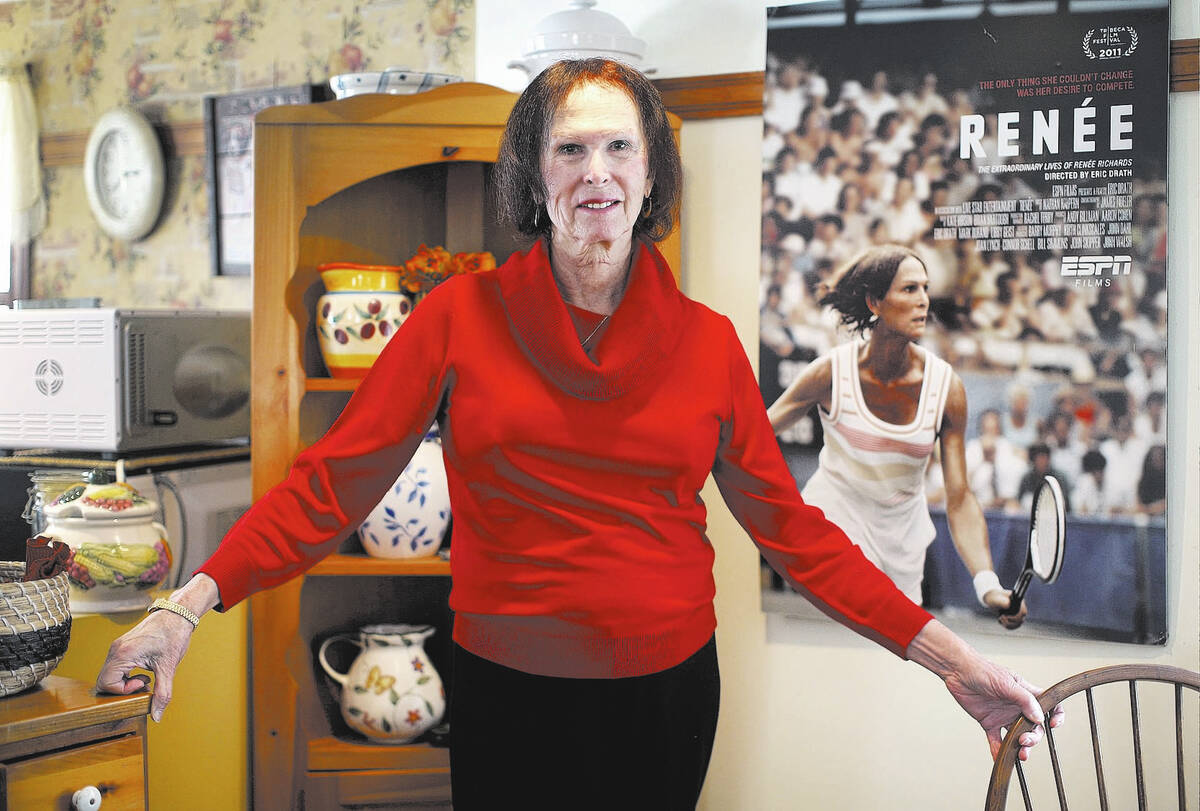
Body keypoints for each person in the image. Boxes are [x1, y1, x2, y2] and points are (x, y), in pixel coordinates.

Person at [97, 60, 1057, 809]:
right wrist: (184, 607)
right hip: (508, 695)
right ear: (534, 171)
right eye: (569, 150)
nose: (596, 174)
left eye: (618, 151)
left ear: (650, 174)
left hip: (669, 698)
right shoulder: (453, 318)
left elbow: (800, 538)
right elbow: (329, 486)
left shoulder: (709, 344)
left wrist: (956, 663)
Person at [766, 245, 1025, 626]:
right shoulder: (830, 373)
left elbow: (959, 498)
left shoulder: (946, 388)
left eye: (925, 288)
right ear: (875, 302)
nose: (923, 301)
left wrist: (987, 584)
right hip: (832, 536)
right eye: (909, 289)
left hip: (902, 554)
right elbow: (754, 433)